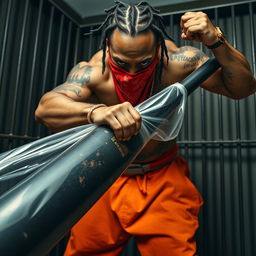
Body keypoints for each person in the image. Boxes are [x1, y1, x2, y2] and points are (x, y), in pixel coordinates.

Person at [35, 1, 256, 255]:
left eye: (142, 63)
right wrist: (97, 111)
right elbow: (45, 109)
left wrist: (216, 40)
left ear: (159, 46)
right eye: (121, 62)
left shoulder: (177, 61)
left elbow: (243, 88)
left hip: (162, 176)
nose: (131, 73)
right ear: (108, 46)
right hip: (103, 178)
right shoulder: (94, 71)